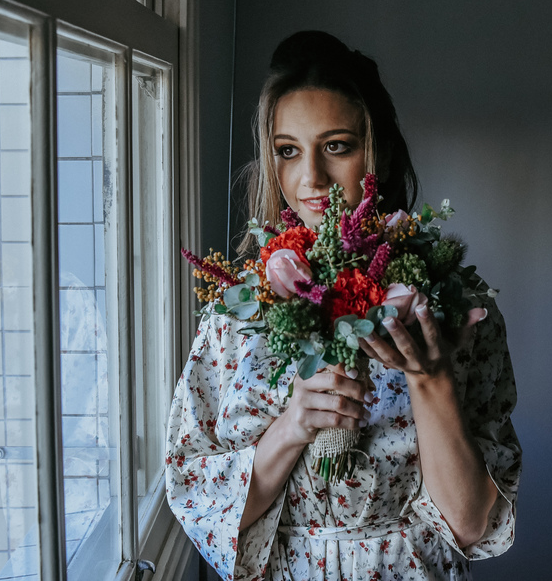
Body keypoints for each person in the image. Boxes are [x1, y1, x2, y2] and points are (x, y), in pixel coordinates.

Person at [165, 31, 522, 580]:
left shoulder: (455, 313)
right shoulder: (236, 316)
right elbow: (199, 498)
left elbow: (472, 525)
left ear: (378, 149)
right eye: (288, 151)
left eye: (336, 146)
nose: (310, 178)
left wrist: (432, 380)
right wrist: (291, 426)